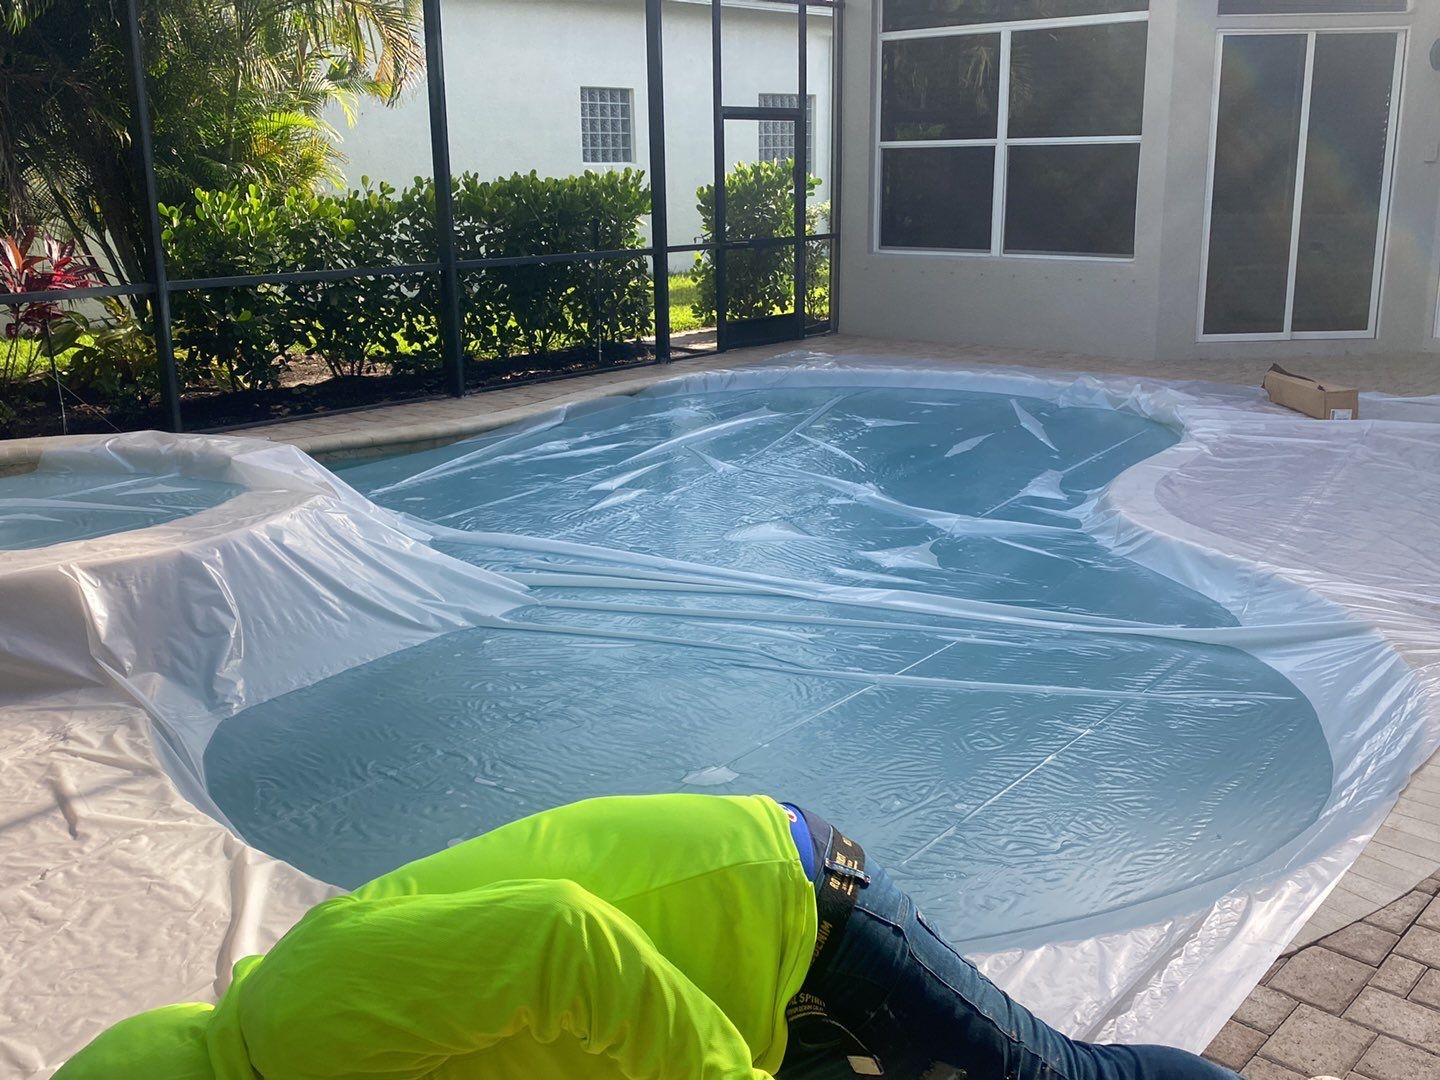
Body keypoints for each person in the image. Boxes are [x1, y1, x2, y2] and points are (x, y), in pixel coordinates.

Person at [56, 794, 1242, 1079]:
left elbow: (559, 936)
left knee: (1060, 1079)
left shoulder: (298, 1024)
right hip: (731, 969)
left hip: (787, 911)